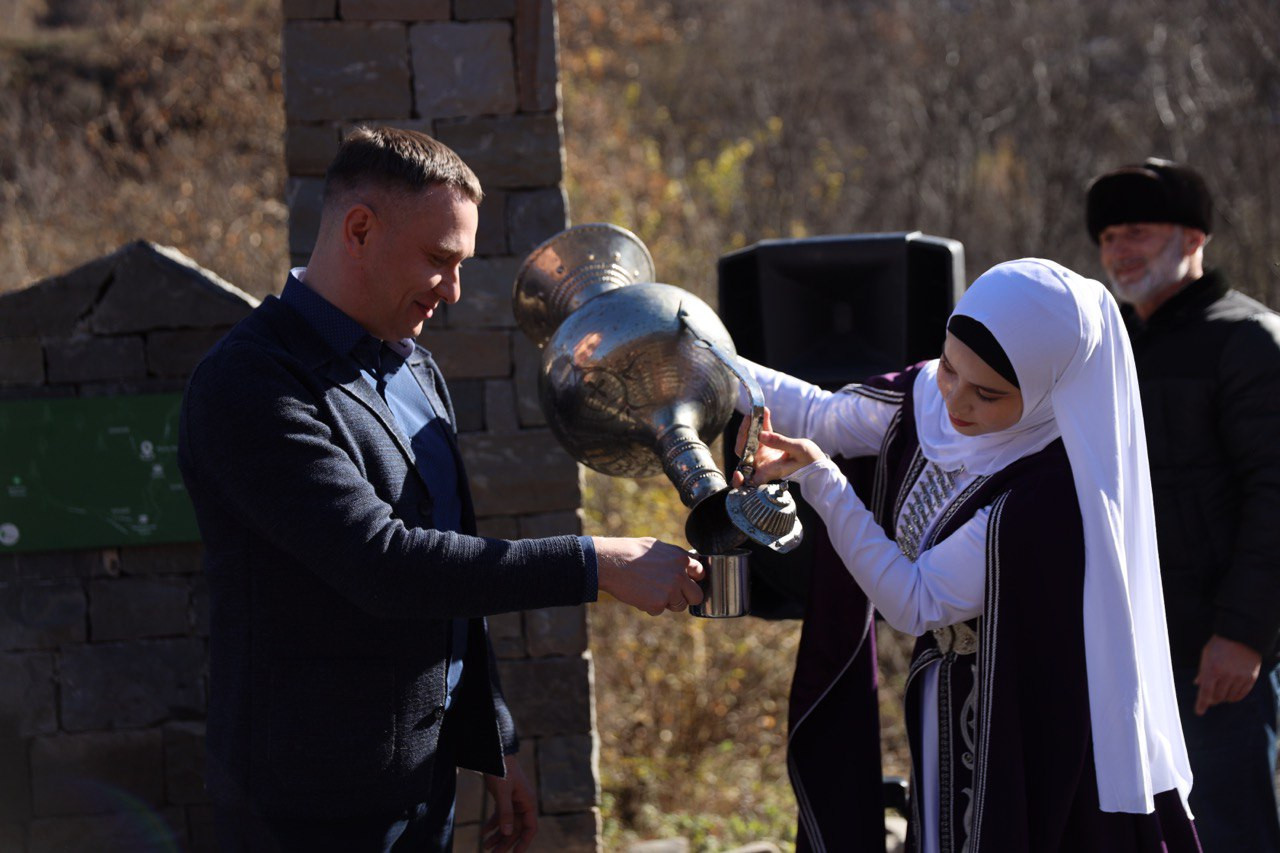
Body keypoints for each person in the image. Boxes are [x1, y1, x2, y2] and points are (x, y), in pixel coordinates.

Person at [177, 126, 705, 853]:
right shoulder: (250, 382)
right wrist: (598, 562)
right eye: (438, 260)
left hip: (423, 796)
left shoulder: (417, 372)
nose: (453, 291)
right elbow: (384, 565)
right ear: (359, 229)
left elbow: (455, 570)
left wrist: (494, 741)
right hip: (301, 807)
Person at [732, 259, 1200, 851]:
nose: (955, 400)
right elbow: (825, 417)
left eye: (988, 394)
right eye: (950, 367)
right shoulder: (933, 396)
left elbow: (916, 600)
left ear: (1047, 389)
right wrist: (710, 363)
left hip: (1024, 718)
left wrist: (823, 483)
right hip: (945, 693)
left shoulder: (1052, 489)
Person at [1086, 158, 1280, 852]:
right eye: (1108, 237)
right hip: (1131, 647)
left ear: (1194, 237)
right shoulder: (1111, 347)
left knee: (1232, 832)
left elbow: (1274, 495)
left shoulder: (1249, 339)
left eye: (1137, 230)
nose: (1119, 251)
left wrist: (1245, 634)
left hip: (1216, 656)